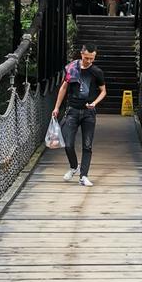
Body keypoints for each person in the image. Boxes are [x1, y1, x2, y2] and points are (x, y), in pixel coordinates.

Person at [52, 43, 106, 186]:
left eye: (92, 58)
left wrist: (95, 103)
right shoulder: (72, 68)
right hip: (72, 110)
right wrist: (57, 107)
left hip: (89, 113)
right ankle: (74, 166)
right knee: (68, 144)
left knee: (87, 146)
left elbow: (103, 91)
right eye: (87, 58)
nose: (89, 61)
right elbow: (64, 88)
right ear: (81, 54)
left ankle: (83, 176)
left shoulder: (97, 72)